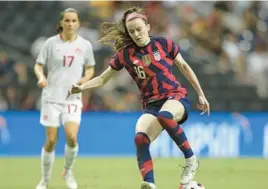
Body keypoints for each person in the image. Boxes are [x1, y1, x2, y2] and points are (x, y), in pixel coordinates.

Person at [69, 6, 210, 189]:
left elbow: (184, 67)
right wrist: (82, 87)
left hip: (175, 98)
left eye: (139, 29)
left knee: (165, 116)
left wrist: (201, 94)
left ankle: (191, 159)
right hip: (152, 105)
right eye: (132, 31)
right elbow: (103, 78)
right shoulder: (126, 55)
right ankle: (149, 184)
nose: (136, 34)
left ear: (148, 27)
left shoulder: (163, 44)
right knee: (140, 138)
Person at [34, 8, 96, 189]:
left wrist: (83, 82)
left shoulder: (85, 45)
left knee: (71, 137)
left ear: (78, 23)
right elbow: (38, 65)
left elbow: (90, 68)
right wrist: (41, 77)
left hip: (73, 98)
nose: (70, 24)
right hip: (52, 97)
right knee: (51, 140)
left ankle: (68, 171)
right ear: (61, 23)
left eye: (74, 21)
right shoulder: (50, 44)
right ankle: (44, 180)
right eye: (67, 21)